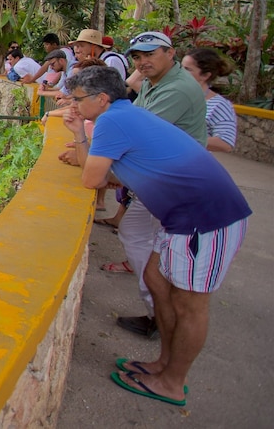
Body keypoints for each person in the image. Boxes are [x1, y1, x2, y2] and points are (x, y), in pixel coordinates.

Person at [61, 65, 251, 408]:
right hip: (181, 217)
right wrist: (80, 131)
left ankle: (173, 382)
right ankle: (163, 364)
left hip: (205, 218)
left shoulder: (111, 121)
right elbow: (112, 173)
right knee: (156, 279)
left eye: (78, 99)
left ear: (101, 99)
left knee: (190, 304)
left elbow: (92, 179)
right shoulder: (123, 114)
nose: (73, 105)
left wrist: (78, 137)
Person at [114, 31, 207, 338]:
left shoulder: (178, 88)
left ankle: (167, 323)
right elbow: (134, 119)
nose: (143, 61)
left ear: (171, 53)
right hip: (157, 179)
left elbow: (138, 133)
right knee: (134, 233)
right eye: (138, 56)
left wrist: (100, 158)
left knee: (165, 264)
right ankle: (157, 312)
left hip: (176, 184)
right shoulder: (156, 84)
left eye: (150, 54)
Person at [182, 47, 237, 153]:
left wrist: (183, 140)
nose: (180, 72)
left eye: (187, 69)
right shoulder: (173, 96)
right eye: (180, 67)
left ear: (206, 75)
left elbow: (225, 143)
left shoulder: (219, 105)